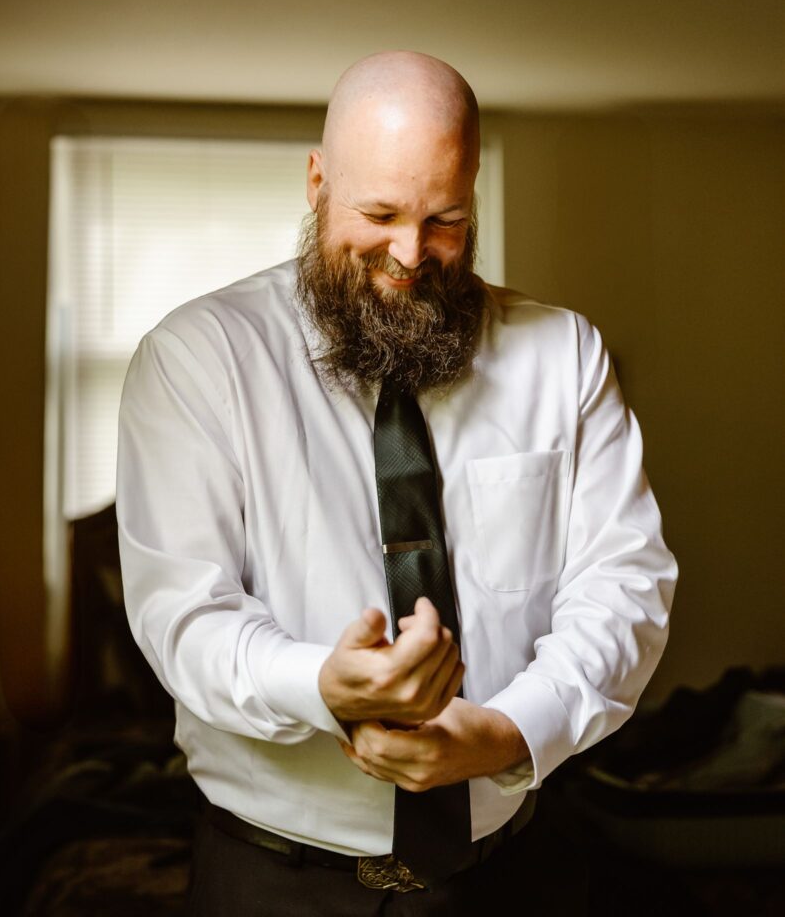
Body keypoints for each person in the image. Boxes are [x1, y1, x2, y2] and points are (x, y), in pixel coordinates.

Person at [116, 50, 677, 915]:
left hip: (512, 875)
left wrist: (507, 732)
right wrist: (319, 685)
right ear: (315, 182)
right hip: (272, 883)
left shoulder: (564, 355)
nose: (409, 254)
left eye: (445, 218)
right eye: (377, 213)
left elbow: (625, 587)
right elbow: (180, 615)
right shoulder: (198, 358)